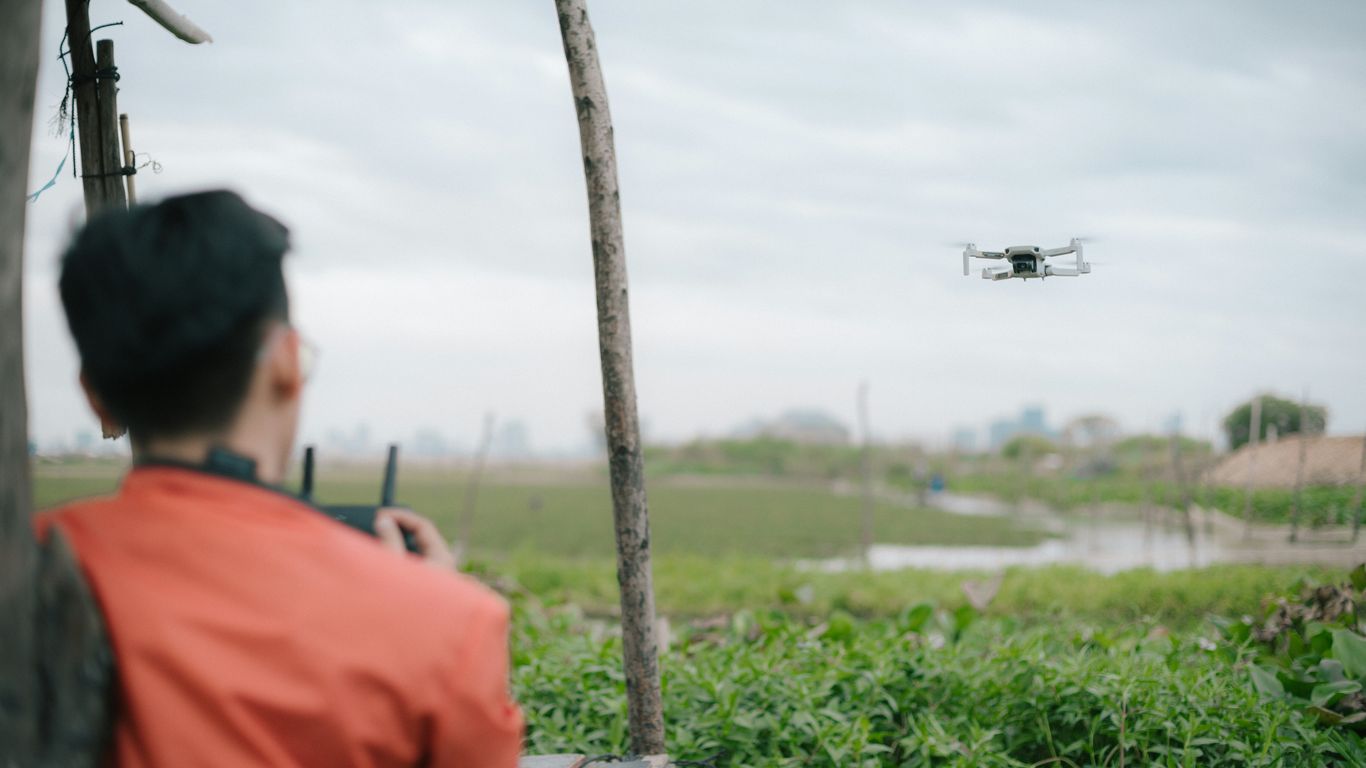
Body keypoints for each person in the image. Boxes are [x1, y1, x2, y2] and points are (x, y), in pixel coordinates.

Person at [34, 190, 523, 767]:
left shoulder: (29, 562)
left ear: (95, 395)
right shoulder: (451, 625)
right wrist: (428, 605)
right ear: (288, 363)